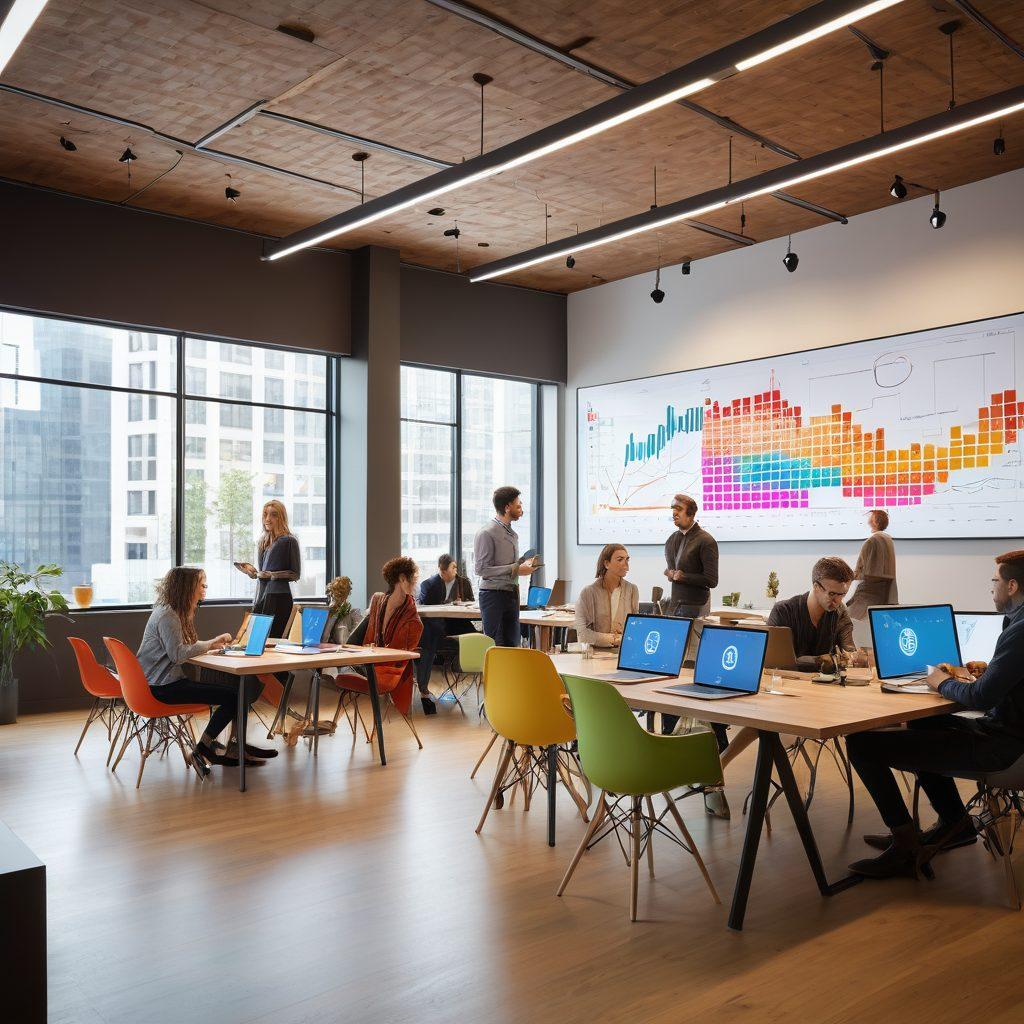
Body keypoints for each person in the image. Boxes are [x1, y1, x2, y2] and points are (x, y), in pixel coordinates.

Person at [845, 550, 1024, 880]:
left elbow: (981, 698)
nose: (992, 588)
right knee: (924, 720)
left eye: (995, 581)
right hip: (1007, 736)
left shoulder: (1021, 630)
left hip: (1005, 750)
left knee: (860, 745)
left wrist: (940, 681)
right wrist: (970, 680)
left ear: (1012, 586)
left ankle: (904, 847)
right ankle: (955, 824)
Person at [717, 556, 866, 776]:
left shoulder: (840, 612)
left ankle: (722, 763)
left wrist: (855, 657)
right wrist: (821, 660)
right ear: (816, 586)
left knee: (767, 720)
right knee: (767, 717)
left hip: (823, 697)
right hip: (784, 694)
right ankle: (722, 764)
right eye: (833, 594)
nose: (838, 601)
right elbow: (774, 662)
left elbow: (848, 651)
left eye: (843, 594)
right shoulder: (784, 610)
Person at [137, 567, 274, 767]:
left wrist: (209, 648)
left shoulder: (168, 612)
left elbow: (179, 649)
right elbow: (178, 655)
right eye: (201, 585)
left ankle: (233, 746)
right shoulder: (168, 616)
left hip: (159, 683)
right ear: (187, 588)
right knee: (235, 695)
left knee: (237, 690)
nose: (204, 588)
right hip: (163, 688)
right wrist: (210, 643)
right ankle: (206, 748)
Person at [661, 494, 726, 778]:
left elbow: (711, 580)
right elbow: (675, 572)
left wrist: (682, 577)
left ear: (691, 513)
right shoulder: (673, 539)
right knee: (674, 667)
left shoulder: (706, 540)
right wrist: (672, 575)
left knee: (692, 668)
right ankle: (671, 728)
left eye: (678, 510)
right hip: (676, 606)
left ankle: (705, 729)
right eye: (673, 510)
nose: (674, 514)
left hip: (696, 608)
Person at [333, 556, 424, 725]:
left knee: (345, 668)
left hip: (387, 671)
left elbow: (399, 657)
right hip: (369, 663)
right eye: (414, 579)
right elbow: (352, 641)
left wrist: (371, 652)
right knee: (342, 655)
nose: (416, 584)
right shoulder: (378, 601)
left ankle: (350, 669)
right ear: (402, 579)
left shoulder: (412, 620)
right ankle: (349, 669)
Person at [473, 486, 538, 648]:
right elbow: (481, 569)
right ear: (507, 507)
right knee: (495, 646)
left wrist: (522, 567)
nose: (521, 509)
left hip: (511, 593)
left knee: (512, 646)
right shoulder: (487, 533)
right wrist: (515, 569)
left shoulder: (511, 533)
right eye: (518, 506)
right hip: (493, 595)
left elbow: (511, 567)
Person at [416, 554, 476, 715]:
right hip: (439, 627)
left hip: (458, 623)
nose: (455, 570)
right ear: (442, 570)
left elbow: (471, 600)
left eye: (456, 567)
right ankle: (424, 688)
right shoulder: (428, 584)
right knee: (431, 636)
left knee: (478, 636)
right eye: (452, 567)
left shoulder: (463, 583)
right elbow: (423, 605)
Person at [236, 500, 301, 638]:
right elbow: (262, 574)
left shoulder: (289, 541)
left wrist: (272, 575)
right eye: (265, 515)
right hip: (262, 596)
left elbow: (295, 574)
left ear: (281, 517)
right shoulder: (262, 542)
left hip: (280, 598)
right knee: (257, 638)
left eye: (273, 515)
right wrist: (252, 572)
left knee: (274, 639)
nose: (267, 519)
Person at [574, 544, 640, 647]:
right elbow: (582, 635)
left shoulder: (632, 590)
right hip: (595, 655)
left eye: (627, 559)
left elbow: (635, 629)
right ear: (606, 564)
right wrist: (613, 639)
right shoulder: (588, 592)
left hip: (622, 653)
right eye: (620, 559)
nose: (626, 564)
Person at [847, 509, 898, 620]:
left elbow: (867, 572)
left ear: (874, 521)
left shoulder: (872, 540)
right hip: (883, 596)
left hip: (868, 596)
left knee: (845, 619)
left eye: (870, 518)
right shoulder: (888, 539)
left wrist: (848, 577)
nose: (868, 521)